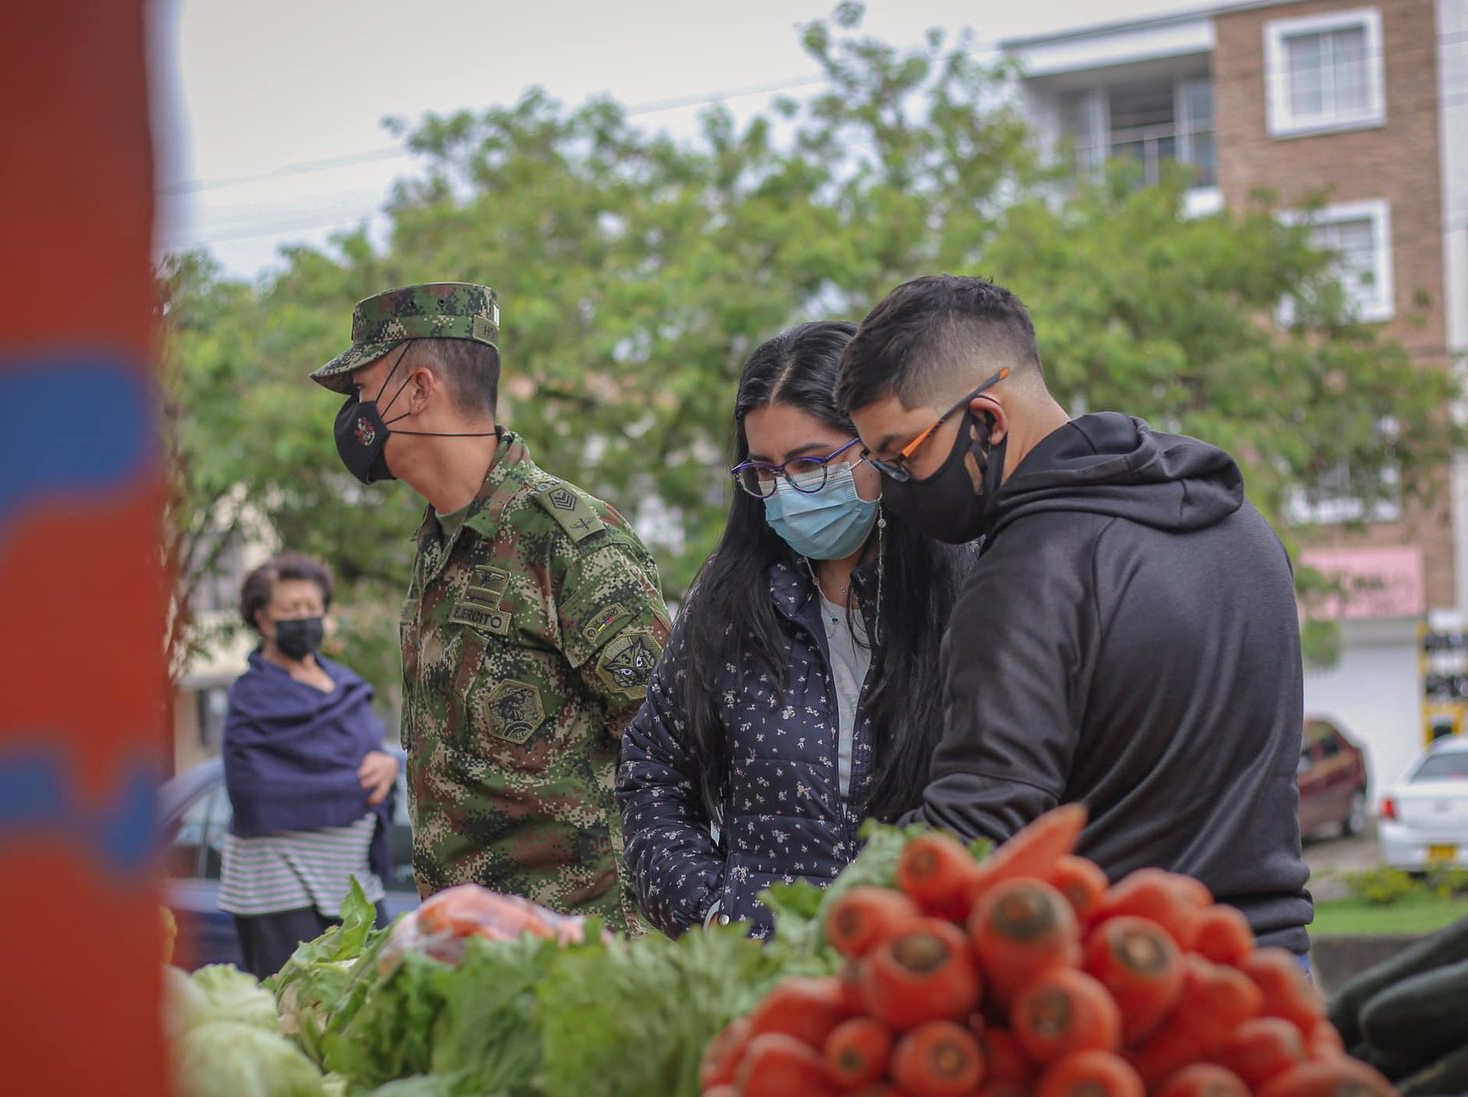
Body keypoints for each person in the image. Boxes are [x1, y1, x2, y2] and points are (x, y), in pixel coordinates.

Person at [839, 274, 1312, 953]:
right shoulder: (1242, 525)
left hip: (1125, 987)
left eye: (901, 456)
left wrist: (831, 917)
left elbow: (977, 821)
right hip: (1273, 970)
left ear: (986, 422)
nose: (892, 488)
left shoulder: (1028, 570)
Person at [310, 281, 671, 931]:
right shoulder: (439, 541)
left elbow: (674, 748)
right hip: (468, 946)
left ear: (419, 390)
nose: (353, 418)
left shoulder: (569, 542)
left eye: (362, 393)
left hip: (575, 955)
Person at [617, 322, 973, 937]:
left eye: (811, 463)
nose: (787, 491)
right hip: (755, 970)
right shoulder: (729, 599)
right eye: (764, 471)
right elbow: (653, 768)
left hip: (921, 965)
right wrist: (707, 911)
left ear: (880, 446)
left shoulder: (972, 585)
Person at [219, 552, 400, 980]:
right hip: (277, 887)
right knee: (297, 1012)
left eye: (312, 608)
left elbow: (374, 754)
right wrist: (357, 787)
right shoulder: (253, 696)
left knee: (368, 1004)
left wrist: (388, 765)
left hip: (353, 882)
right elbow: (254, 790)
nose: (304, 617)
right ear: (263, 619)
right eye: (291, 609)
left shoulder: (347, 686)